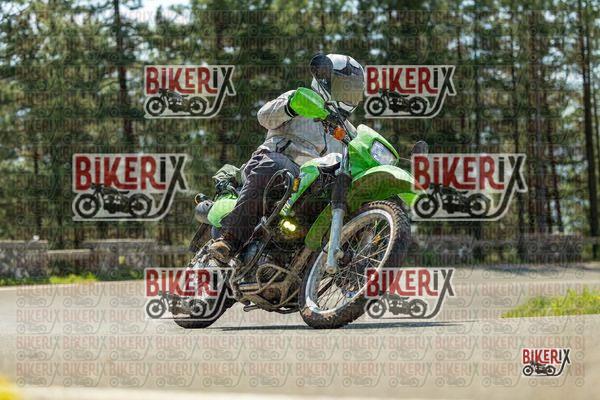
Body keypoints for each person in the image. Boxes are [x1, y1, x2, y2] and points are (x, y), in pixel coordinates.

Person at [208, 53, 365, 262]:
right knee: (280, 167)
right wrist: (290, 106)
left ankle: (352, 269)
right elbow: (264, 116)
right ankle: (230, 240)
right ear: (326, 81)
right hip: (274, 164)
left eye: (352, 89)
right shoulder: (301, 99)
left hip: (310, 185)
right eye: (343, 87)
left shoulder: (348, 131)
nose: (347, 94)